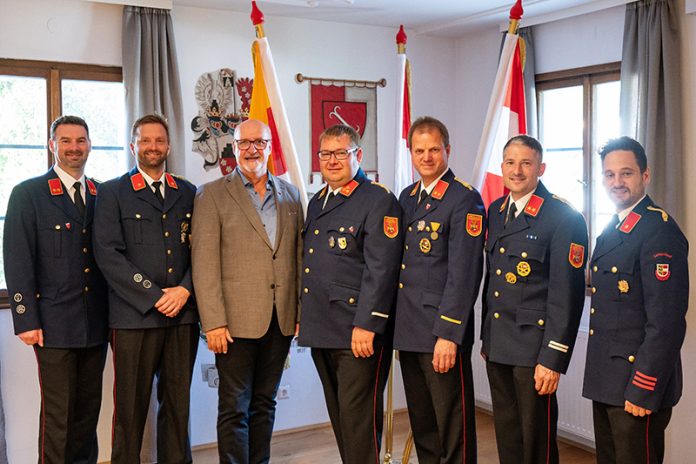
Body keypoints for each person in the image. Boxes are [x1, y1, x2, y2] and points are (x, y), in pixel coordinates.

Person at [191, 119, 303, 464]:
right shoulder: (211, 194)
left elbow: (297, 258)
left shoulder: (291, 194)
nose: (252, 149)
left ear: (270, 146)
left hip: (279, 319)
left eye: (259, 142)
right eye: (244, 143)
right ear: (234, 148)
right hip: (233, 324)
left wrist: (298, 311)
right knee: (233, 407)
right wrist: (213, 323)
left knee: (265, 404)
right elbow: (204, 263)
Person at [93, 113, 198, 463]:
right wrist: (154, 296)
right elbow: (108, 254)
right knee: (130, 411)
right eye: (145, 140)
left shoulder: (188, 192)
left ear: (168, 145)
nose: (153, 146)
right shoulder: (112, 192)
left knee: (178, 408)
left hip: (181, 317)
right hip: (133, 318)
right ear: (134, 144)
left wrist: (183, 290)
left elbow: (201, 249)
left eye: (159, 140)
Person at [3, 115, 108, 464]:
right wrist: (25, 318)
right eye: (66, 141)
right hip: (52, 325)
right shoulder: (28, 193)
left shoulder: (100, 193)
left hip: (96, 323)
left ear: (89, 145)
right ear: (52, 145)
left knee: (87, 412)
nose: (74, 148)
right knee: (59, 416)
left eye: (80, 140)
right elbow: (17, 260)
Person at [297, 124, 402, 464]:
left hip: (358, 332)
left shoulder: (378, 200)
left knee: (359, 422)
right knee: (342, 418)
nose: (332, 161)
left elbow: (382, 269)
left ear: (358, 155)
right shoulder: (318, 201)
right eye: (325, 154)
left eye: (340, 153)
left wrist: (368, 325)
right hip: (322, 328)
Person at [481, 135, 588, 464]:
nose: (517, 170)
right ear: (501, 167)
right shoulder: (497, 211)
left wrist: (552, 359)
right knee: (508, 434)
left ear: (540, 168)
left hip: (534, 349)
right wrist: (487, 338)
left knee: (536, 441)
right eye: (510, 163)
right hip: (499, 343)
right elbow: (494, 281)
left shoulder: (563, 217)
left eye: (526, 163)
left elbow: (566, 296)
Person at [582, 136, 688, 464]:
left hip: (635, 384)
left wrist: (644, 386)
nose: (617, 182)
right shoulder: (615, 228)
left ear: (645, 175)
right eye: (609, 175)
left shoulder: (659, 231)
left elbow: (666, 322)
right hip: (607, 381)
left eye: (626, 173)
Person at [393, 116, 485, 463]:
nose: (427, 157)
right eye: (420, 150)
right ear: (411, 153)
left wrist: (448, 334)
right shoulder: (407, 197)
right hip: (409, 330)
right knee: (425, 425)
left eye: (434, 149)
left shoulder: (464, 200)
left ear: (448, 150)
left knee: (453, 428)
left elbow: (464, 275)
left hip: (441, 333)